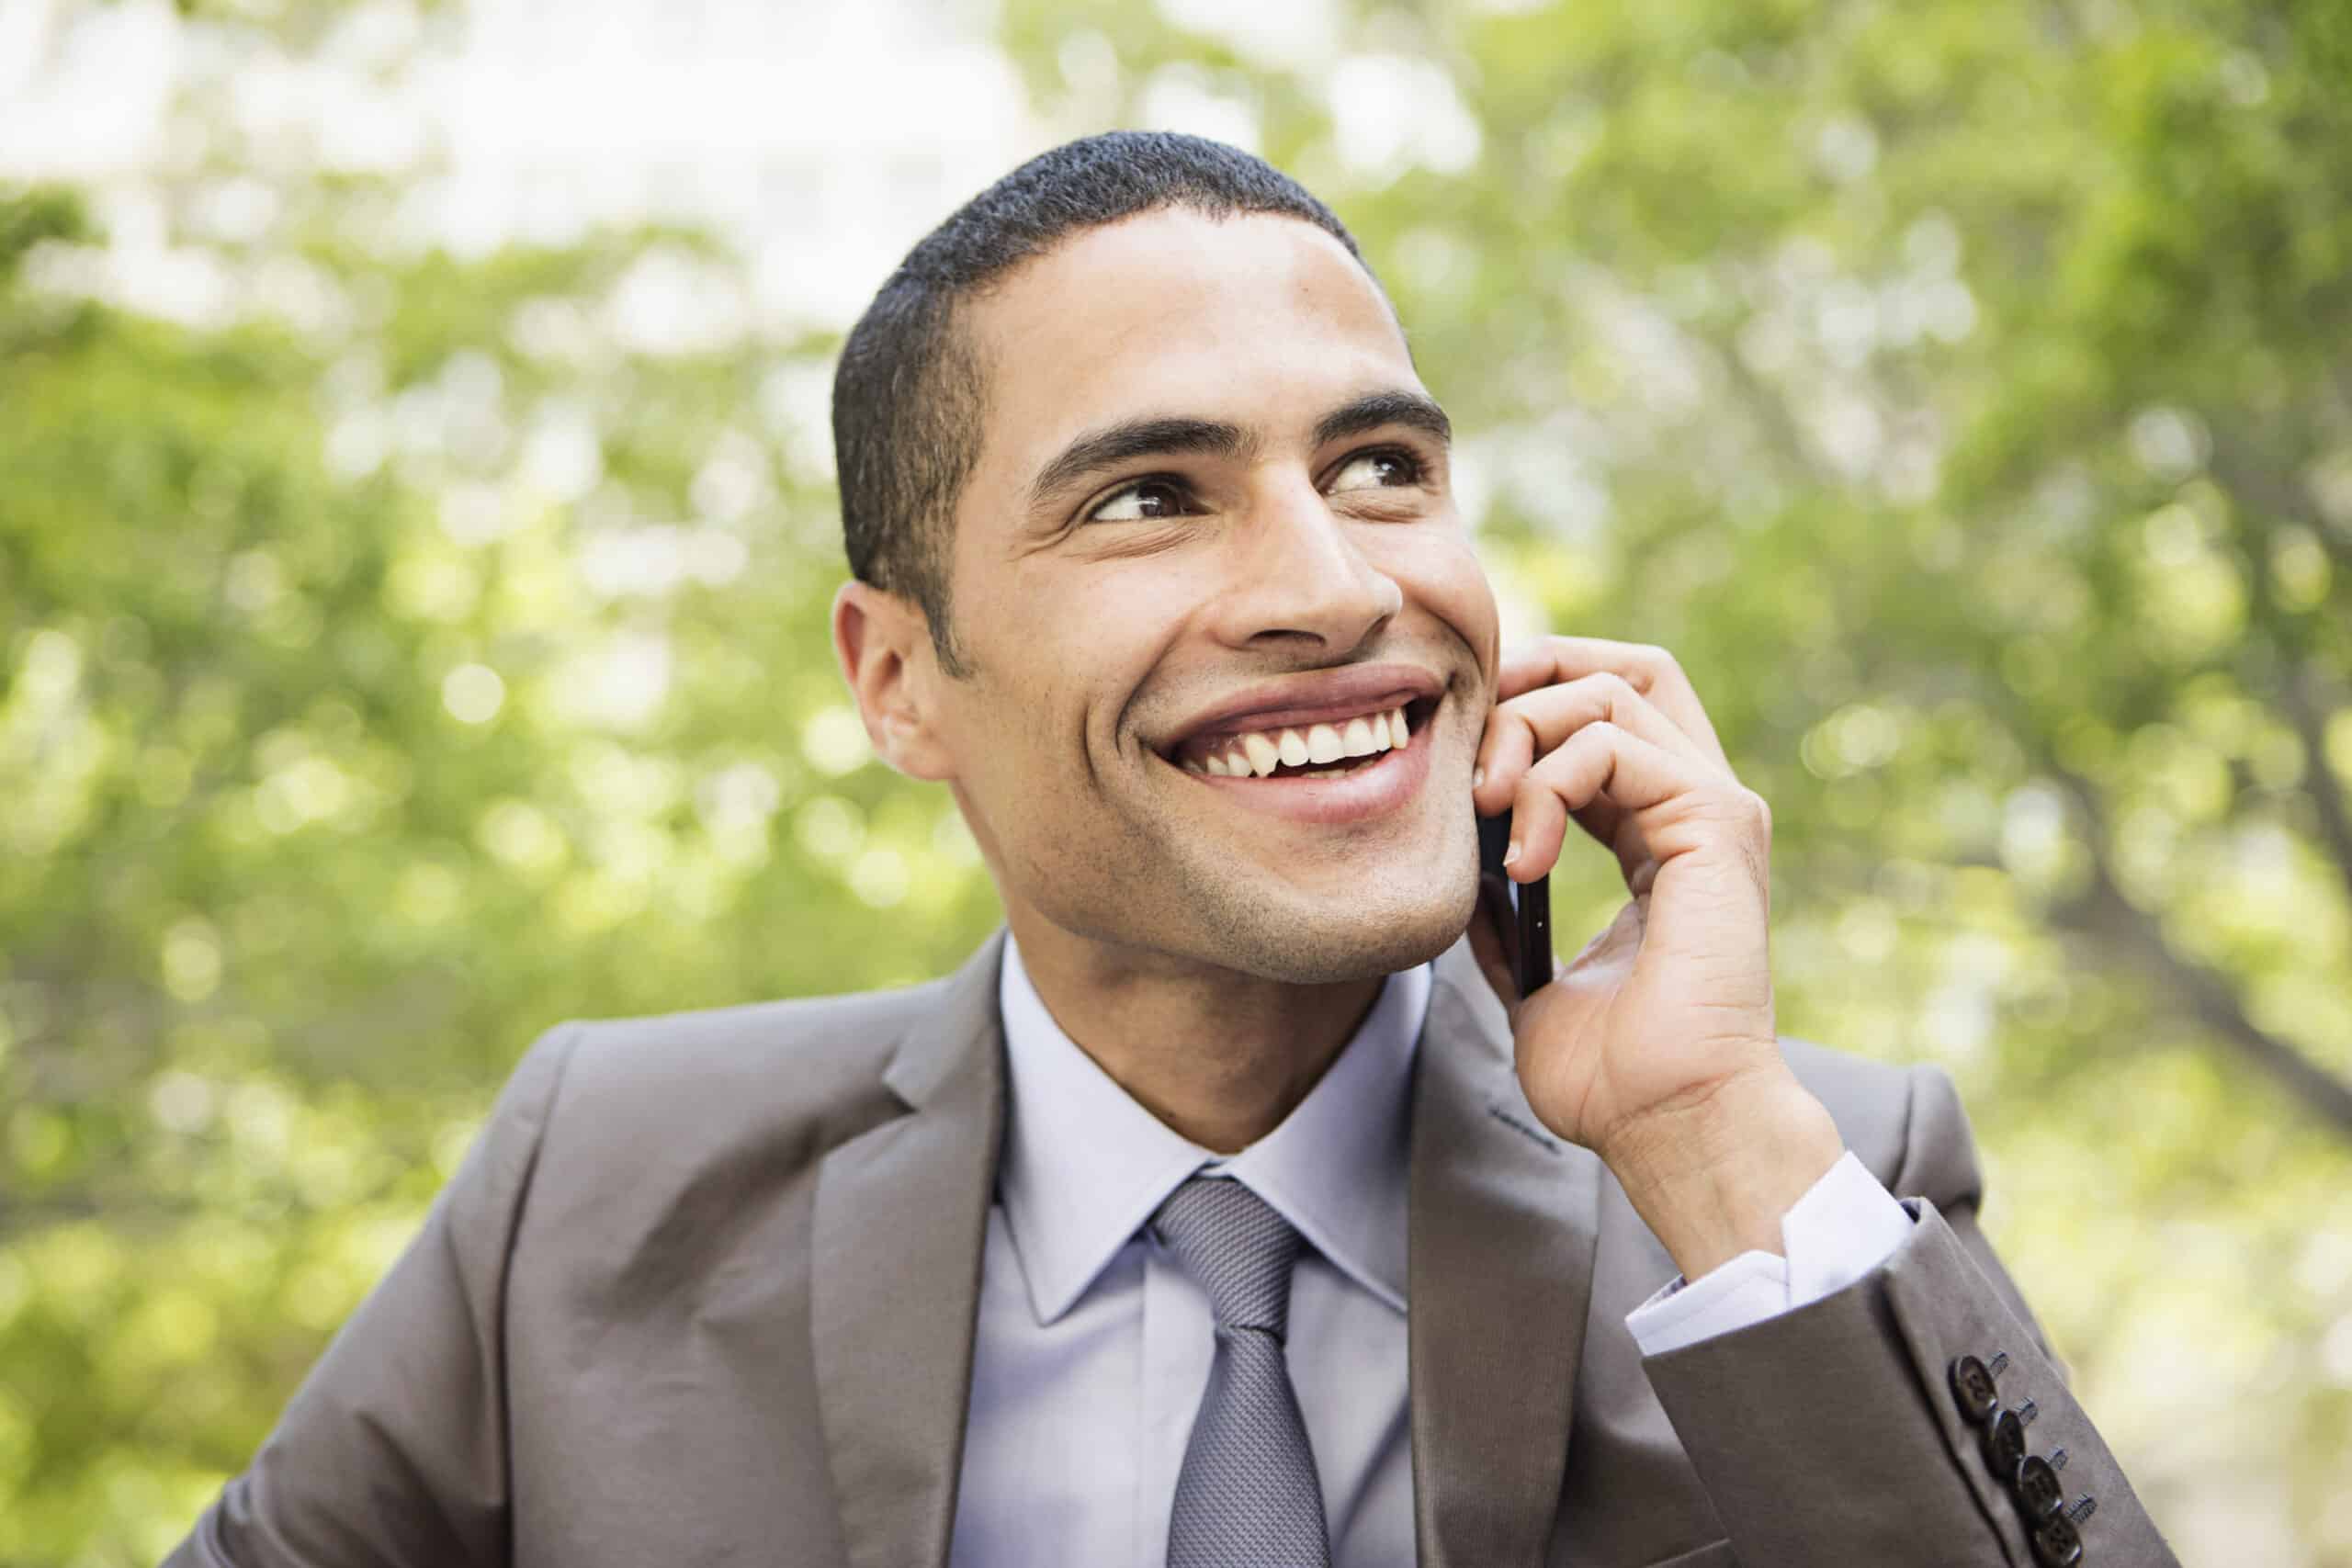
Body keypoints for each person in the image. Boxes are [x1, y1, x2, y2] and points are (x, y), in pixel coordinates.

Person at [165, 130, 2176, 1568]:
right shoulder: (585, 1187)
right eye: (1148, 497)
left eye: (1379, 467)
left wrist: (1710, 1134)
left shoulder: (1799, 1189)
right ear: (896, 678)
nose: (1328, 586)